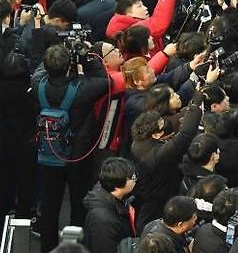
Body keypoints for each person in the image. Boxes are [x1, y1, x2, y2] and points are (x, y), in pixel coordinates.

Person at [32, 45, 109, 253]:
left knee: (49, 205)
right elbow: (104, 80)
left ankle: (47, 248)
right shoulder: (82, 89)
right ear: (68, 67)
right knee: (78, 203)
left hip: (48, 153)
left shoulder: (38, 83)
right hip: (77, 156)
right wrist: (86, 57)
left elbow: (41, 68)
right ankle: (75, 246)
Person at [131, 94, 203, 232]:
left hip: (152, 187)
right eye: (162, 125)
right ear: (156, 135)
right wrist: (195, 107)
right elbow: (185, 135)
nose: (166, 124)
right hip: (156, 194)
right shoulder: (157, 154)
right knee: (150, 223)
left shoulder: (139, 141)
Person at [82, 158, 137, 253]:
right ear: (117, 186)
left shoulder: (114, 198)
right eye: (132, 178)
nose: (135, 179)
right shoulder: (103, 220)